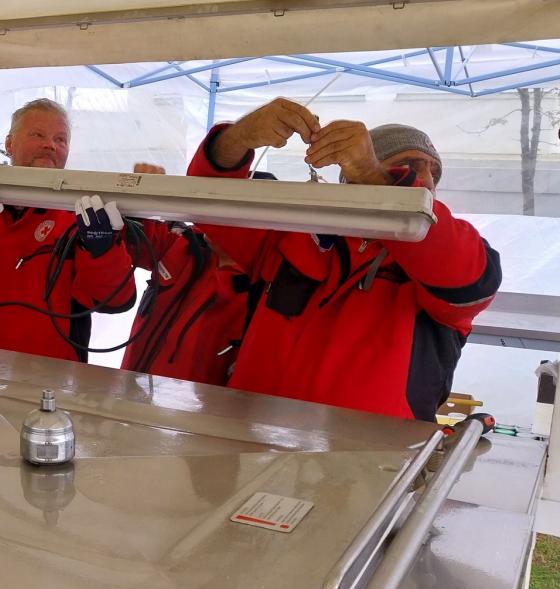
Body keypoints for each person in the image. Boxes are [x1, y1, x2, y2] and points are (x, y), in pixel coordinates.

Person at [187, 99, 501, 421]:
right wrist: (238, 138)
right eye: (409, 164)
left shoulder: (446, 253)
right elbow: (204, 202)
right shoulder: (290, 235)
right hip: (252, 435)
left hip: (377, 449)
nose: (427, 179)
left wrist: (375, 176)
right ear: (350, 174)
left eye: (433, 171)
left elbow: (471, 283)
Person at [0, 98, 136, 363]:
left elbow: (116, 301)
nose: (50, 145)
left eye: (60, 139)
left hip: (52, 372)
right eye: (38, 135)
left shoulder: (83, 214)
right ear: (9, 144)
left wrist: (103, 251)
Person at [120, 165, 253, 386]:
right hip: (130, 389)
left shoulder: (259, 290)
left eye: (233, 210)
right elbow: (132, 241)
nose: (218, 217)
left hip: (190, 406)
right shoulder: (185, 246)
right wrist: (140, 198)